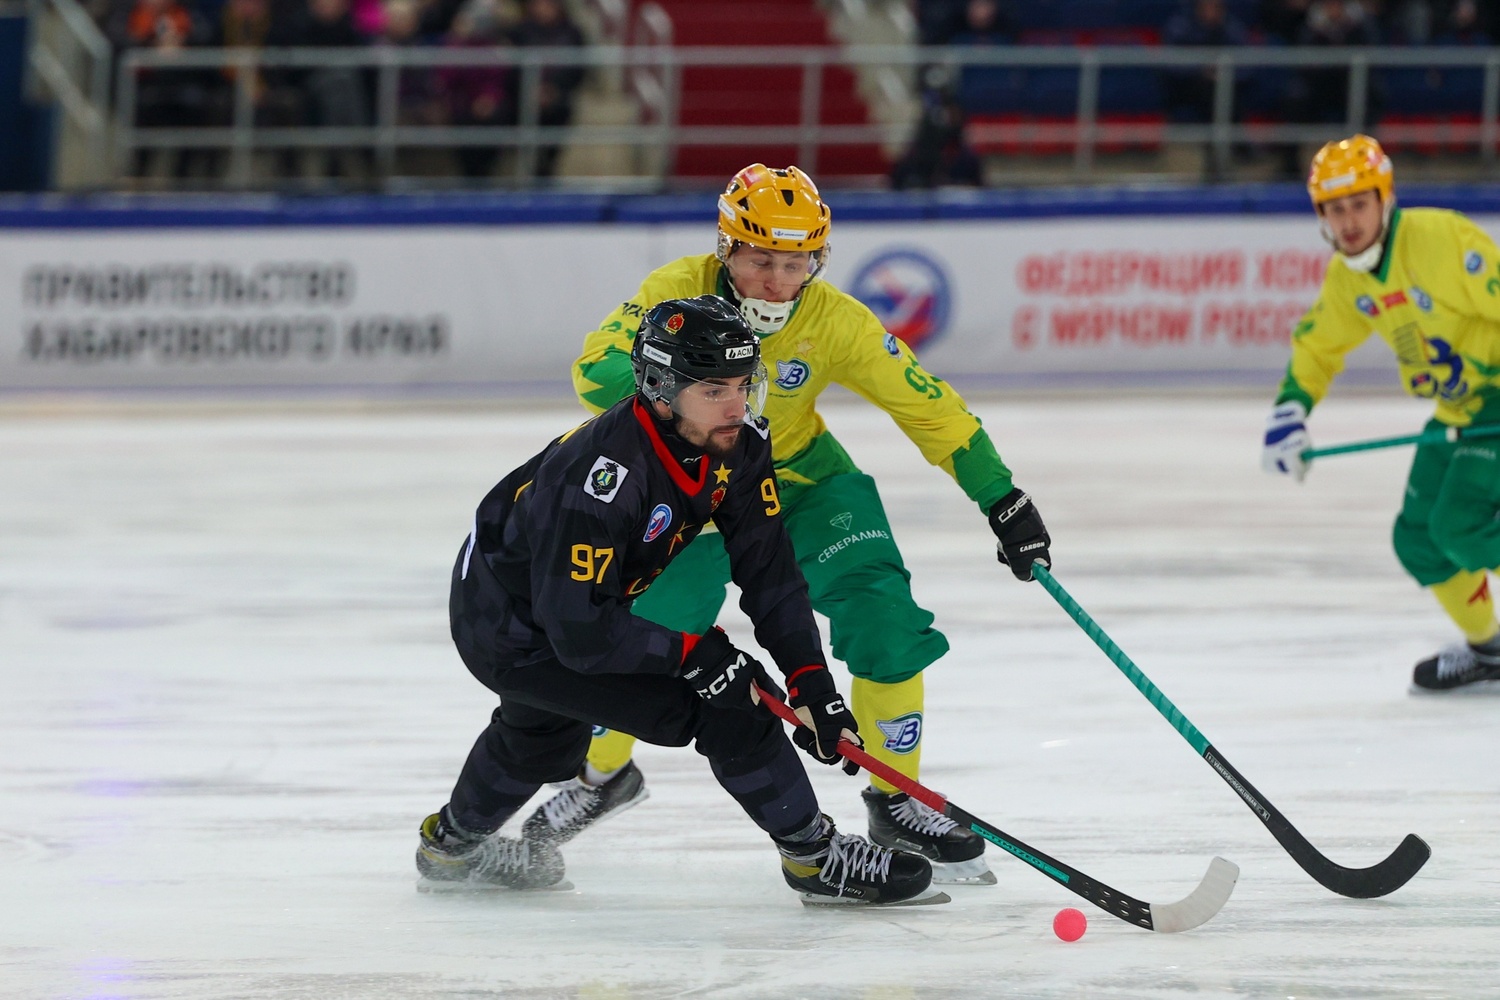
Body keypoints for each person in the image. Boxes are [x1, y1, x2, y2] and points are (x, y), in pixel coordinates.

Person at [522, 164, 1053, 886]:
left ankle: (895, 799)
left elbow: (927, 406)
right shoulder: (674, 294)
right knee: (640, 638)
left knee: (883, 613)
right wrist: (680, 388)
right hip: (689, 488)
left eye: (795, 263)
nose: (776, 281)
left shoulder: (834, 319)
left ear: (817, 260)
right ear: (725, 249)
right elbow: (594, 372)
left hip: (803, 481)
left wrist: (1001, 496)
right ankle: (601, 777)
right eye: (760, 260)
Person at [416, 295, 943, 907]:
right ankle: (814, 858)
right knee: (729, 702)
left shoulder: (739, 440)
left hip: (573, 602)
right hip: (505, 624)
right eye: (714, 390)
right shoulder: (603, 477)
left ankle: (447, 851)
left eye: (744, 385)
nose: (737, 406)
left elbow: (769, 572)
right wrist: (698, 655)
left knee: (539, 734)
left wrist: (812, 683)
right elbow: (579, 633)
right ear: (660, 390)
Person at [1261, 134, 1500, 692]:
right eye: (1335, 209)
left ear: (1384, 199)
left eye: (1359, 205)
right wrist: (1291, 410)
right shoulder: (1349, 278)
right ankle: (1492, 650)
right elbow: (1320, 345)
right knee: (1418, 539)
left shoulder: (1440, 239)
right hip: (1457, 409)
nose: (1349, 222)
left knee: (1459, 526)